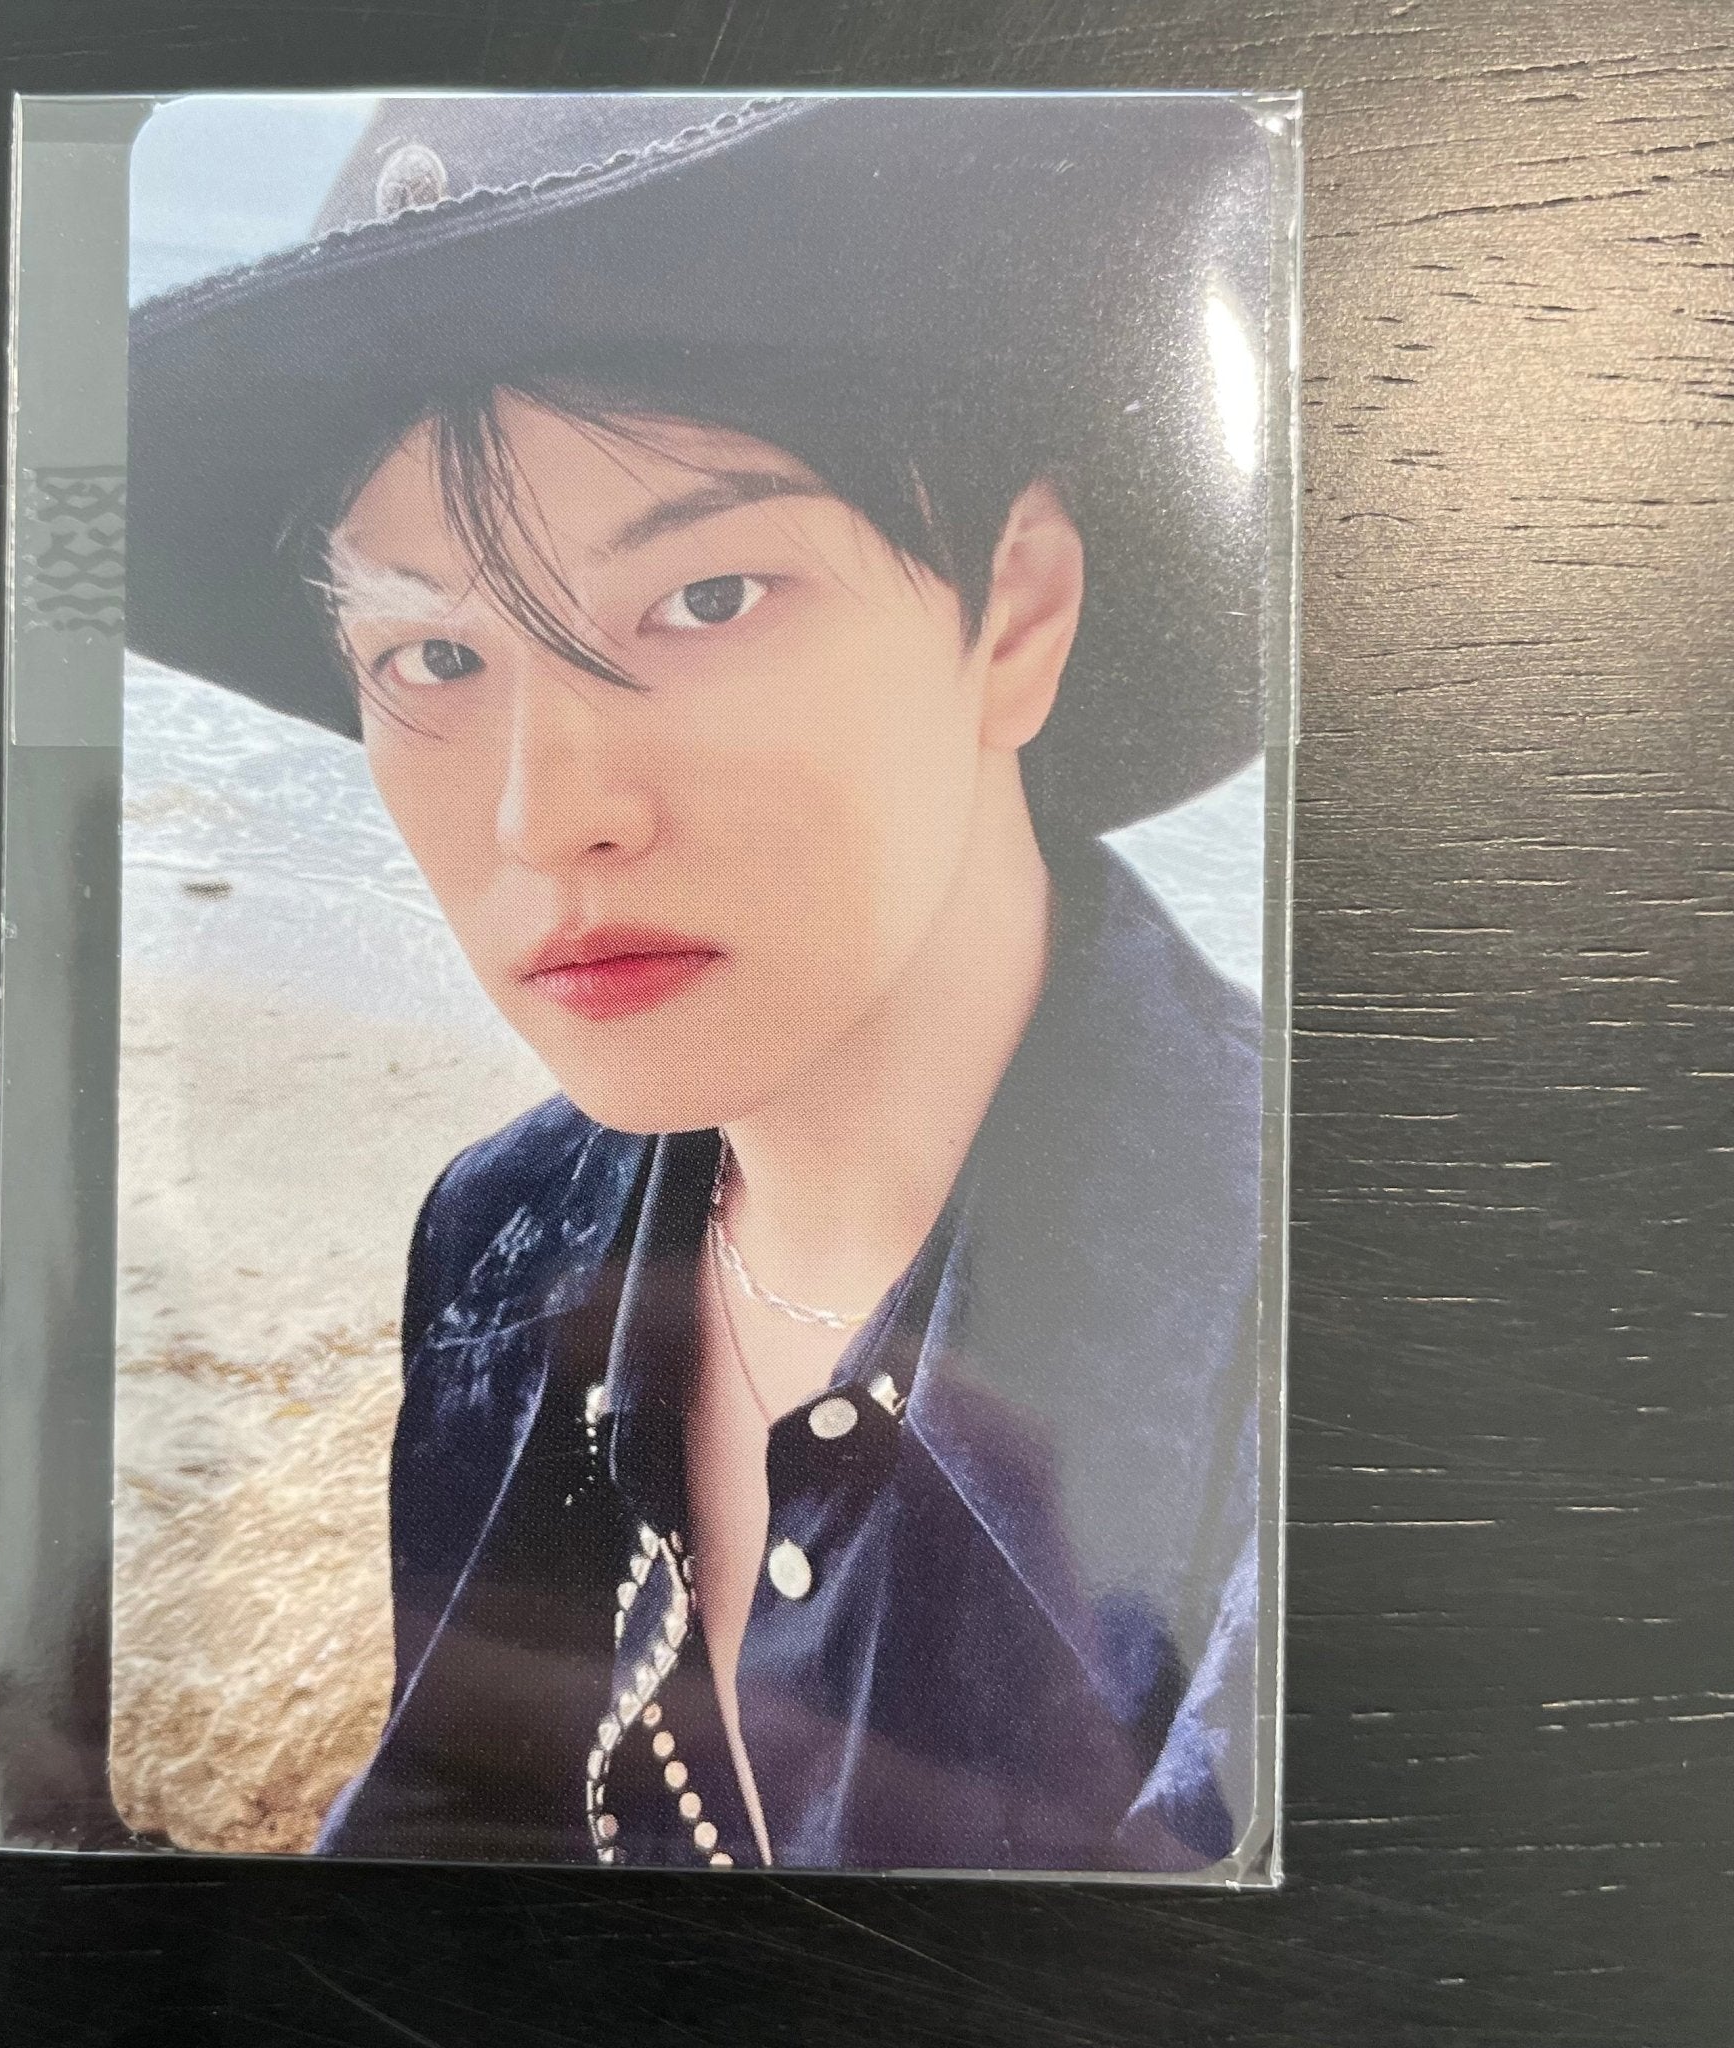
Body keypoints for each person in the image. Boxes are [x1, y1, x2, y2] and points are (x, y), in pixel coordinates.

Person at [127, 92, 1279, 1873]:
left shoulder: (1313, 1344)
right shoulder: (502, 1239)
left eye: (713, 596)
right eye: (433, 656)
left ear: (1020, 610)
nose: (546, 814)